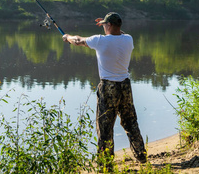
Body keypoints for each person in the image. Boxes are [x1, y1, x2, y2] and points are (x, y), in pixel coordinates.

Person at [62, 12, 147, 164]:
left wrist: (67, 37)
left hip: (108, 87)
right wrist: (106, 23)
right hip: (125, 86)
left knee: (105, 127)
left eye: (104, 25)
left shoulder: (99, 41)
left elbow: (78, 40)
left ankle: (105, 162)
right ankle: (141, 155)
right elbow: (119, 33)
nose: (103, 28)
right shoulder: (128, 39)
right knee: (131, 122)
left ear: (109, 25)